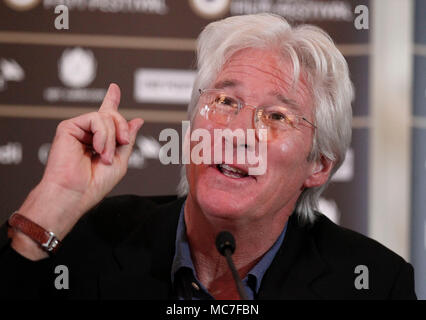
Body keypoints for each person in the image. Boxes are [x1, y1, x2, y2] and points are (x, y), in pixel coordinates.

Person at [0, 13, 416, 300]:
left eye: (276, 116)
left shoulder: (374, 283)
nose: (237, 134)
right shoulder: (88, 241)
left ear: (318, 164)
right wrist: (54, 199)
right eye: (225, 101)